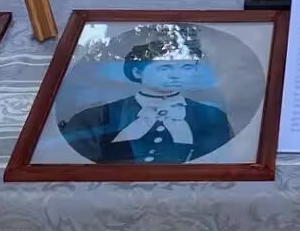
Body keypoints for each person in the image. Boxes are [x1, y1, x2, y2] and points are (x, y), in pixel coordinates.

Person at [57, 32, 234, 164]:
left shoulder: (211, 116)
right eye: (164, 68)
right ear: (137, 71)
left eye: (186, 67)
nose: (176, 75)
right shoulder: (95, 118)